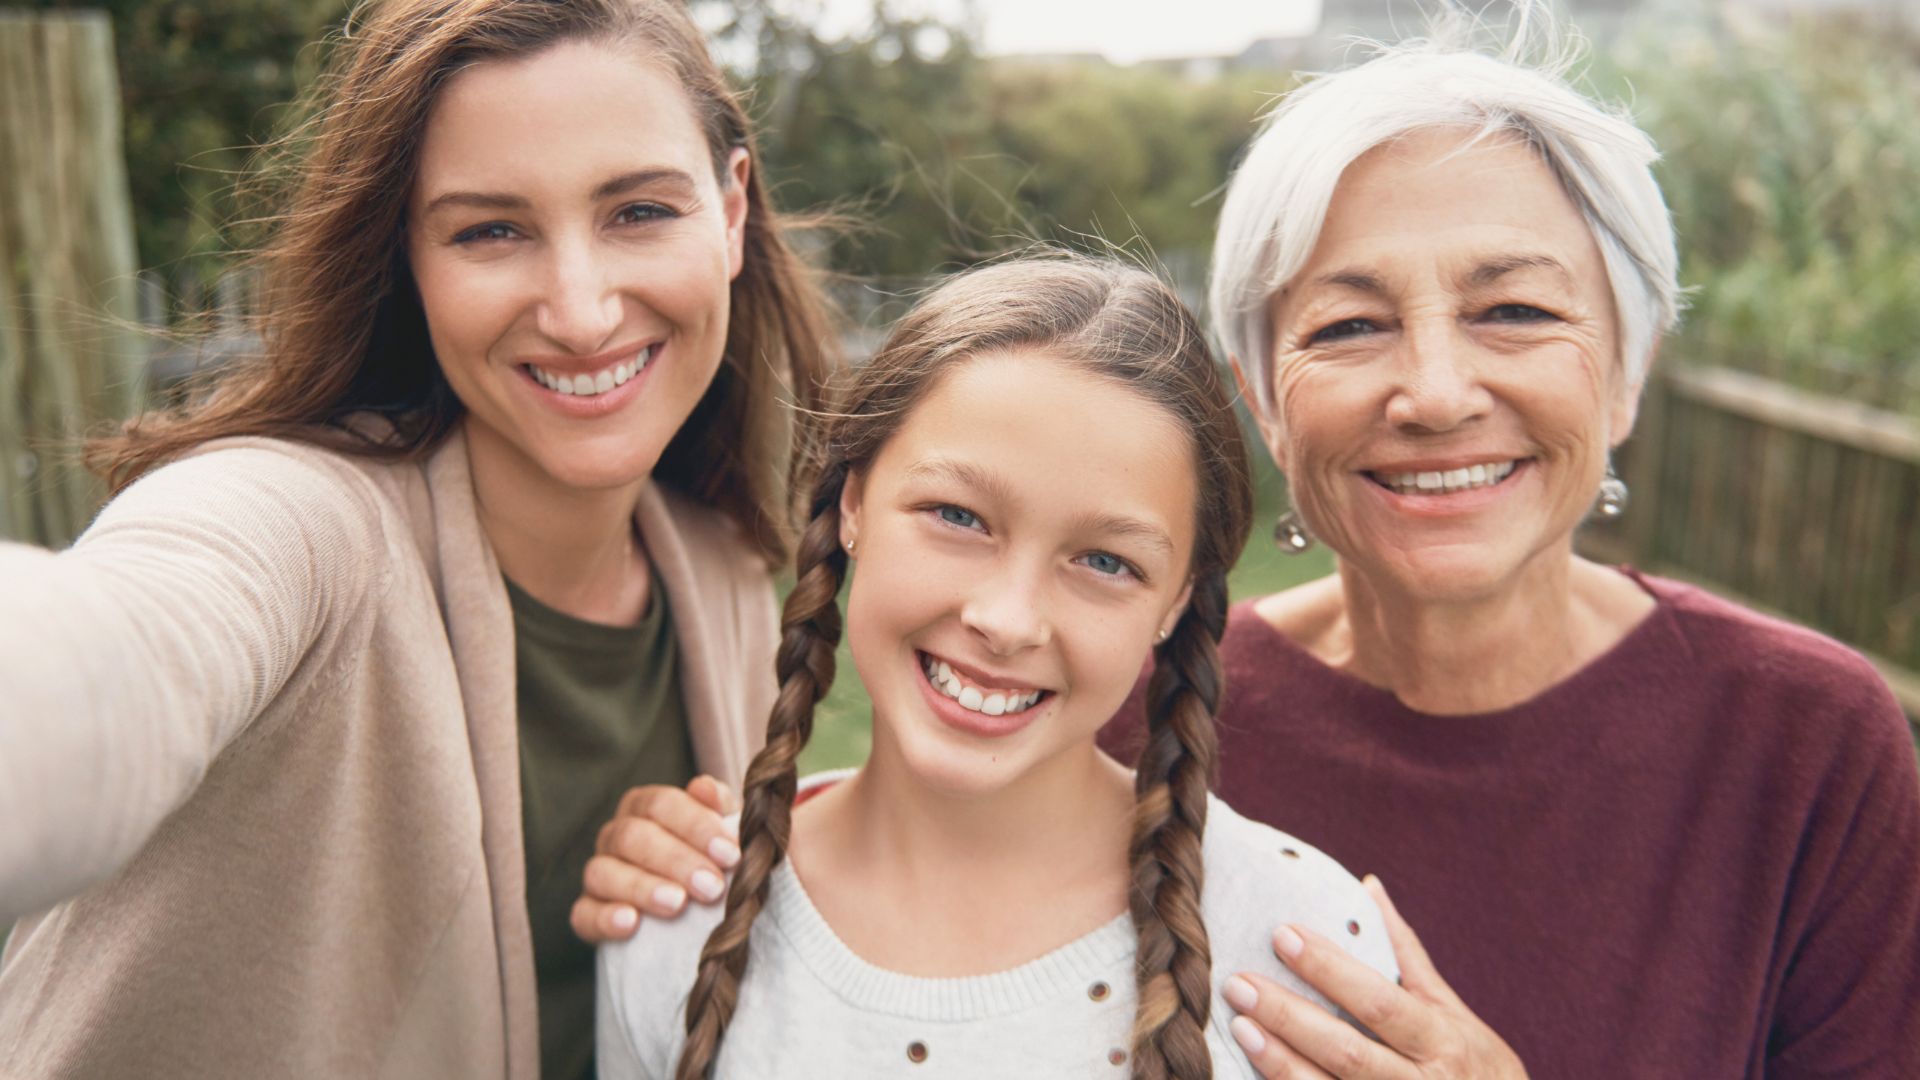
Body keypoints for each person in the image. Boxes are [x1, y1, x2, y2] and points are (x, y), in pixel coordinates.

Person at [579, 12, 1920, 1080]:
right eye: (1347, 327)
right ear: (1262, 398)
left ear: (1629, 370)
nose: (1437, 391)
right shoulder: (1127, 704)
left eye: (1515, 310)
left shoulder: (1812, 746)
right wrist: (703, 852)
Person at [0, 0, 834, 1076]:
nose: (581, 311)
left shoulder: (724, 570)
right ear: (409, 257)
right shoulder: (298, 525)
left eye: (636, 211)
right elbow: (109, 654)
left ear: (730, 211)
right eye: (491, 230)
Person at [596, 256, 1400, 1079]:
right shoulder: (677, 920)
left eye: (1105, 561)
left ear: (1174, 603)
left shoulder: (1293, 944)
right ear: (852, 506)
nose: (1007, 620)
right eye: (957, 516)